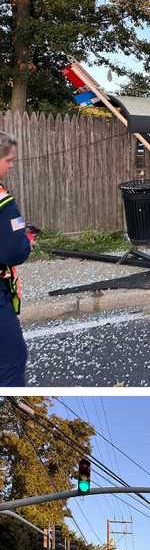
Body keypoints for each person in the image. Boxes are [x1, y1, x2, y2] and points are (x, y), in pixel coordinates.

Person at [0, 131, 36, 386]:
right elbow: (14, 251)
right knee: (12, 358)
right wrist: (26, 241)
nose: (12, 166)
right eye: (9, 160)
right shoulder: (4, 199)